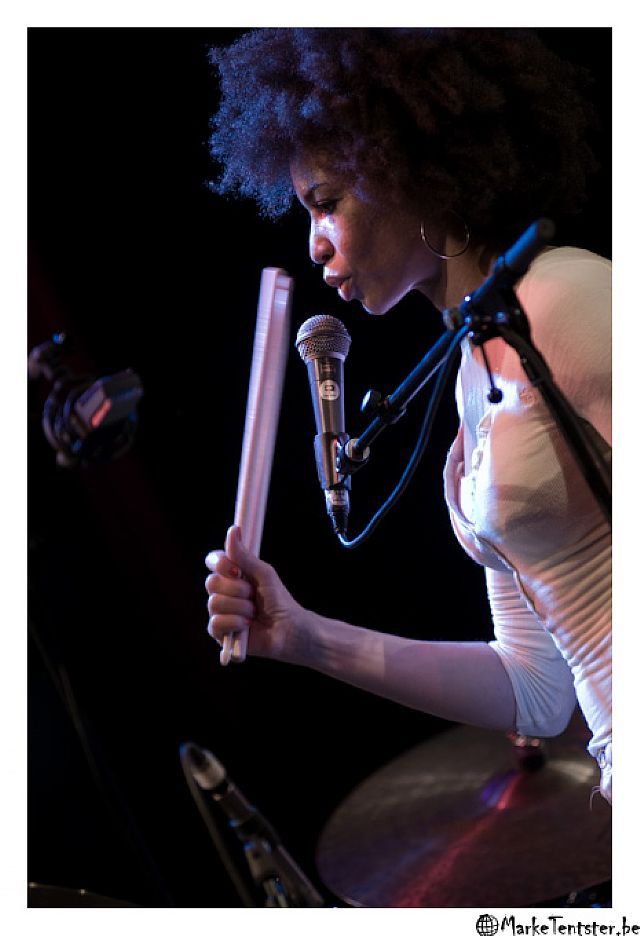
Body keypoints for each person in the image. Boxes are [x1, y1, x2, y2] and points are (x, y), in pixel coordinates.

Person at [203, 29, 612, 804]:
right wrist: (303, 635)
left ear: (409, 167)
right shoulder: (471, 377)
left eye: (326, 203)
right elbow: (537, 691)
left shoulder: (564, 300)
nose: (314, 246)